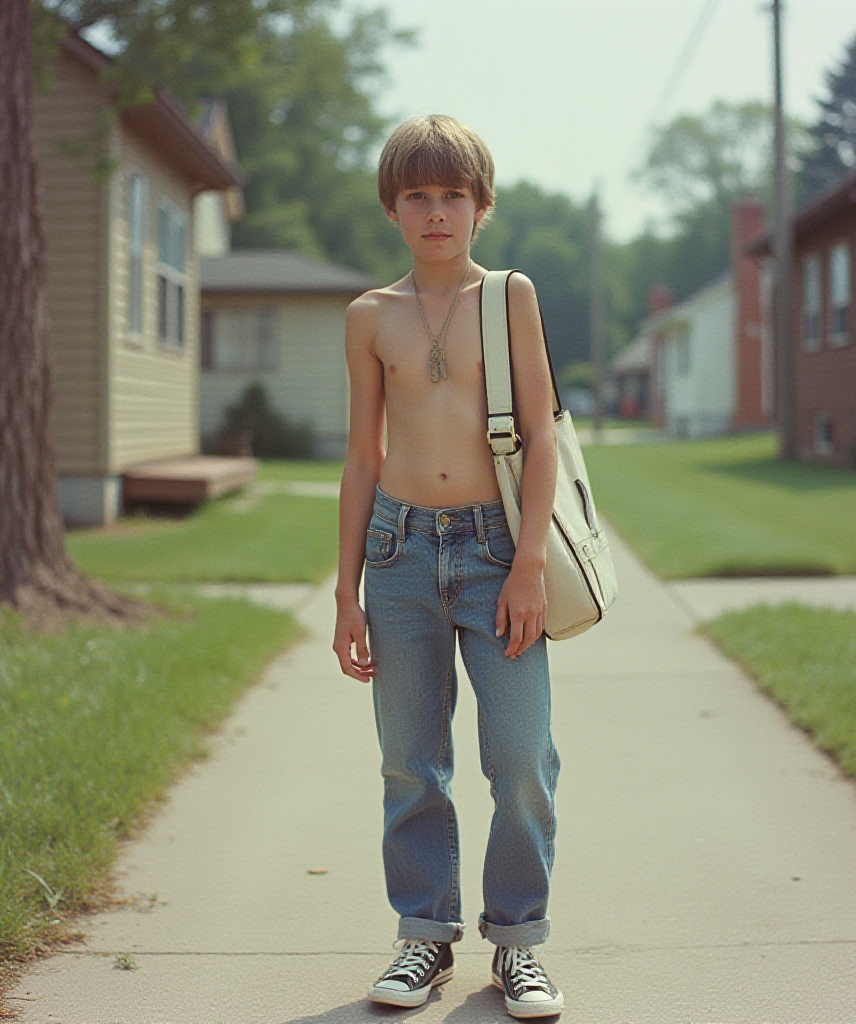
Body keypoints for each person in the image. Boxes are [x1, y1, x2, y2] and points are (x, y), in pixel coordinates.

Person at [332, 114, 564, 1020]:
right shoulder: (369, 316)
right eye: (418, 195)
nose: (437, 212)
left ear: (481, 206)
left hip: (496, 550)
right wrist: (346, 590)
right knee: (410, 764)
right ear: (392, 208)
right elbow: (362, 456)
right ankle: (424, 935)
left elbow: (541, 434)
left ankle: (519, 943)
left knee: (522, 758)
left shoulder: (509, 297)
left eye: (454, 195)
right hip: (396, 556)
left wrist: (529, 561)